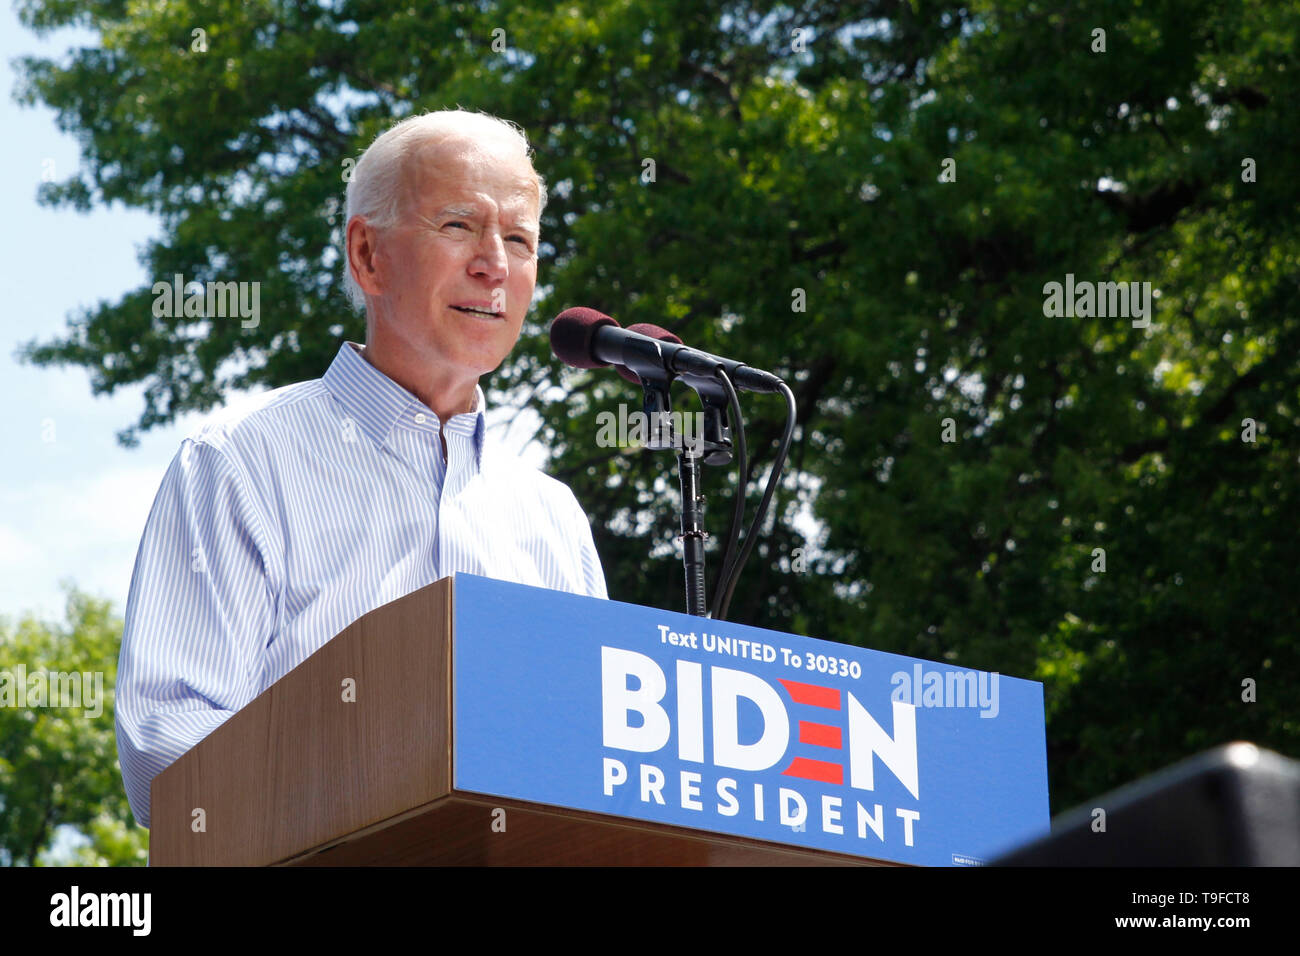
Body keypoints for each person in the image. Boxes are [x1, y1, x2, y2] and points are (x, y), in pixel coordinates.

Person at [116, 110, 607, 829]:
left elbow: (589, 765)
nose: (494, 264)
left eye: (519, 238)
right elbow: (168, 753)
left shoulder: (552, 516)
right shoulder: (242, 461)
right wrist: (386, 787)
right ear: (367, 255)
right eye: (458, 226)